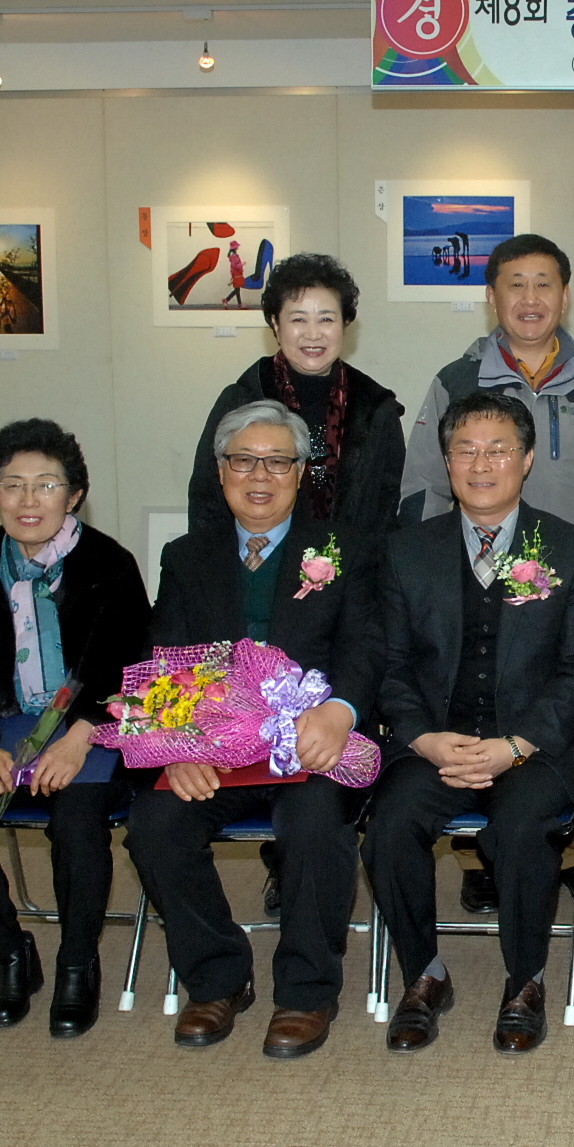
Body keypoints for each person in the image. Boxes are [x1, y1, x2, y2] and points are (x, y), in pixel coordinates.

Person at [124, 400, 385, 1059]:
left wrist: (341, 711)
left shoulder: (344, 548)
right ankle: (218, 976)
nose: (260, 475)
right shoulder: (186, 556)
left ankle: (306, 990)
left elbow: (367, 646)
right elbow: (164, 657)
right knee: (155, 823)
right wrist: (176, 747)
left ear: (301, 473)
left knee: (316, 821)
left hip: (310, 739)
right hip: (216, 746)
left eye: (277, 461)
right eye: (244, 460)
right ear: (220, 472)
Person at [362, 390, 574, 1057]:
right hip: (436, 740)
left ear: (526, 460)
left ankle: (525, 980)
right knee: (389, 826)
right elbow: (389, 665)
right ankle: (423, 974)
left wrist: (516, 744)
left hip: (537, 745)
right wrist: (423, 738)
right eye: (465, 450)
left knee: (522, 828)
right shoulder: (405, 552)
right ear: (446, 461)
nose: (480, 464)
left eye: (498, 449)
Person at [0, 419, 151, 1037]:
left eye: (46, 484)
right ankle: (10, 953)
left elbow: (133, 668)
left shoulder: (109, 565)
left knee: (76, 822)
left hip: (91, 727)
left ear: (73, 495)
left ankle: (78, 964)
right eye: (13, 485)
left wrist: (82, 736)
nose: (29, 500)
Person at [397, 233, 574, 541]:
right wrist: (426, 561)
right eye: (516, 285)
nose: (530, 299)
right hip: (480, 561)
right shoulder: (457, 382)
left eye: (543, 285)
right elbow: (425, 487)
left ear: (565, 296)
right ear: (491, 296)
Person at [188, 252, 405, 535]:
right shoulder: (242, 399)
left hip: (352, 559)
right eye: (299, 320)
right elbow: (207, 501)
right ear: (276, 325)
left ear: (345, 324)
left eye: (326, 319)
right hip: (257, 556)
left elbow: (387, 510)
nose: (313, 334)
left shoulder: (376, 408)